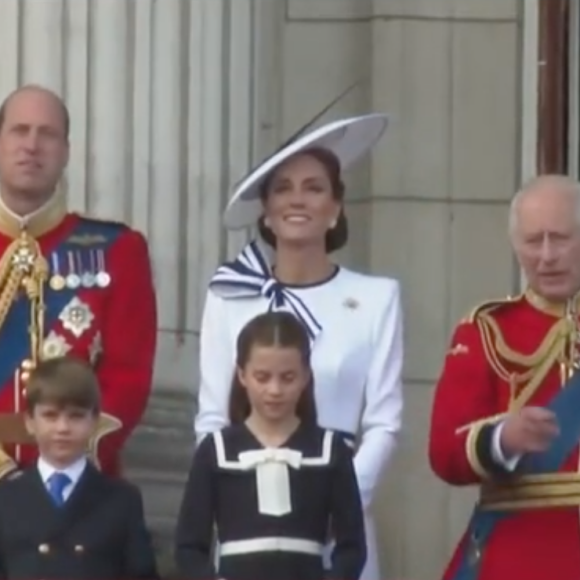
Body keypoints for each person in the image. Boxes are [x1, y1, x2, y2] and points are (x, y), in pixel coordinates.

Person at [194, 113, 404, 580]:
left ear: (335, 207)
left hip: (339, 529)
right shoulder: (229, 297)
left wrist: (334, 501)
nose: (297, 199)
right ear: (265, 209)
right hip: (246, 524)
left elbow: (384, 423)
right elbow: (211, 418)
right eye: (283, 187)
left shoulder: (376, 298)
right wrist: (234, 499)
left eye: (313, 187)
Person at [0, 85, 157, 479]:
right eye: (19, 131)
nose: (32, 145)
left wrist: (63, 467)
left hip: (77, 491)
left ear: (66, 151)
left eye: (47, 134)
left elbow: (128, 376)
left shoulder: (118, 250)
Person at [428, 174, 580, 580]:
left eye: (560, 238)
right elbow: (444, 452)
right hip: (516, 554)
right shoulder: (486, 331)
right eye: (533, 241)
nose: (547, 256)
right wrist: (502, 439)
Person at [176, 311, 366, 580]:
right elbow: (189, 546)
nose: (275, 390)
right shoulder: (216, 451)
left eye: (287, 378)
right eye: (262, 377)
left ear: (305, 376)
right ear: (242, 375)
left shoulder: (329, 450)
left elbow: (352, 546)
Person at [0, 355, 159, 580]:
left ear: (94, 421)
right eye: (50, 416)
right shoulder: (6, 499)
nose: (63, 428)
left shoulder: (122, 501)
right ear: (29, 421)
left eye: (75, 416)